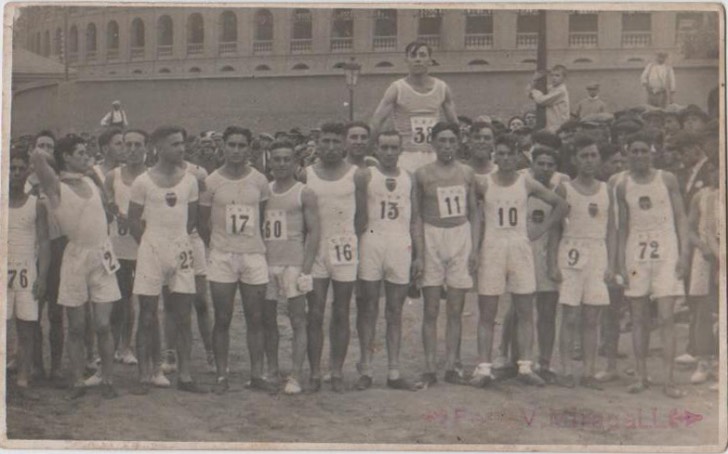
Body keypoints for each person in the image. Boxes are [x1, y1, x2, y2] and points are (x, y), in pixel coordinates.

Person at [471, 134, 568, 387]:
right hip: (492, 247)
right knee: (487, 311)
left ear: (517, 157)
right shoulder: (483, 183)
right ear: (495, 156)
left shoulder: (526, 183)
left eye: (509, 154)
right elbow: (473, 214)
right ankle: (484, 367)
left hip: (519, 245)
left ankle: (525, 366)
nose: (505, 159)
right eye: (500, 154)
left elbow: (560, 204)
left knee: (525, 309)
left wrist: (541, 229)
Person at [31, 135, 121, 400]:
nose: (86, 156)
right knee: (78, 326)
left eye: (86, 152)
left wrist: (81, 170)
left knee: (103, 324)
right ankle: (77, 381)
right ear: (66, 157)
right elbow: (37, 157)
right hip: (75, 258)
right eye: (79, 153)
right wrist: (58, 161)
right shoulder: (55, 186)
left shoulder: (92, 180)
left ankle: (107, 378)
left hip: (102, 254)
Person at [128, 126, 206, 394]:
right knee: (147, 314)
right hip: (151, 248)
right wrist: (151, 246)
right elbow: (132, 219)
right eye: (175, 144)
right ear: (158, 147)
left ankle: (184, 374)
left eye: (182, 143)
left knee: (183, 314)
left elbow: (192, 219)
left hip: (181, 248)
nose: (181, 149)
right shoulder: (143, 181)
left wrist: (175, 245)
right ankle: (145, 373)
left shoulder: (190, 180)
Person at [198, 126, 274, 394]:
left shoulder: (260, 180)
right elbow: (202, 221)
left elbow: (262, 215)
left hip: (253, 254)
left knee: (256, 316)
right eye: (232, 145)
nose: (237, 150)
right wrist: (218, 245)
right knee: (223, 316)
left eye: (242, 145)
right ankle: (221, 375)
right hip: (222, 255)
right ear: (224, 147)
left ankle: (257, 374)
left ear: (249, 148)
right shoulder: (211, 181)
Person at [616, 131, 689, 398]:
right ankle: (640, 375)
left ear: (652, 152)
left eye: (643, 150)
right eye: (634, 151)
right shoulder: (623, 185)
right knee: (638, 318)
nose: (639, 156)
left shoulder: (666, 179)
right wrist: (621, 263)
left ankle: (669, 380)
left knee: (667, 316)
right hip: (636, 254)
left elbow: (681, 218)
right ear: (628, 154)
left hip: (666, 252)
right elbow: (622, 227)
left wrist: (684, 253)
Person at [353, 130, 421, 391]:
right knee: (368, 307)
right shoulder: (365, 175)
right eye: (385, 147)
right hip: (371, 241)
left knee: (395, 310)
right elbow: (358, 217)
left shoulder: (409, 178)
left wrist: (418, 254)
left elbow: (414, 219)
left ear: (401, 150)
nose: (390, 152)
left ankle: (394, 371)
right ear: (377, 149)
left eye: (394, 148)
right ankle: (366, 368)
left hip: (399, 244)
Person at [414, 122, 478, 387]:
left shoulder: (466, 172)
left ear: (458, 143)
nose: (447, 146)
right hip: (432, 236)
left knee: (455, 307)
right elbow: (416, 216)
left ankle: (452, 364)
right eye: (442, 141)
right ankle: (429, 366)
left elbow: (474, 213)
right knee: (430, 309)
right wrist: (419, 253)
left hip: (459, 236)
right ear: (433, 143)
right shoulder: (422, 174)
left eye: (452, 141)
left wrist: (474, 247)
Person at [298, 122, 361, 392]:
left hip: (344, 246)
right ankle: (314, 372)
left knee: (341, 311)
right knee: (315, 312)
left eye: (337, 142)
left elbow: (363, 217)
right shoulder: (306, 174)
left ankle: (336, 371)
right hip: (316, 248)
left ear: (345, 144)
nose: (331, 147)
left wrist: (348, 239)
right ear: (317, 143)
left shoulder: (357, 175)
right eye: (326, 141)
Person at [552, 135, 616, 389]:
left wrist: (611, 264)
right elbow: (556, 229)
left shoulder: (607, 189)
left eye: (593, 155)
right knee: (569, 315)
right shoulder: (565, 189)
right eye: (584, 156)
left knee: (592, 316)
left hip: (597, 252)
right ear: (574, 160)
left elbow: (611, 230)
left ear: (599, 159)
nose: (589, 161)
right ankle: (566, 368)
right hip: (571, 252)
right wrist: (552, 264)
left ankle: (589, 371)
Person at [262, 140, 320, 395]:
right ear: (270, 162)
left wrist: (306, 270)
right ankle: (272, 370)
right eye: (277, 159)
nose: (282, 164)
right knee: (267, 320)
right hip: (267, 264)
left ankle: (295, 374)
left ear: (296, 163)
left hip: (293, 265)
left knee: (298, 320)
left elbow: (314, 232)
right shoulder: (264, 191)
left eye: (287, 159)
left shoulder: (303, 192)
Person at [370, 41, 459, 173]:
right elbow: (376, 122)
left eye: (422, 55)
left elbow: (454, 124)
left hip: (434, 154)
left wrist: (455, 152)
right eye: (413, 55)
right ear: (407, 60)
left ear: (430, 60)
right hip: (406, 155)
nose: (418, 59)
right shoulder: (397, 88)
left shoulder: (442, 88)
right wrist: (372, 152)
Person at [525, 134, 570, 383]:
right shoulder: (523, 183)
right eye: (540, 163)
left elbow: (561, 223)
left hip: (550, 251)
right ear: (532, 164)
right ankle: (514, 358)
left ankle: (545, 362)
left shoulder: (561, 186)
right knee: (519, 309)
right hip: (524, 250)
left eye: (549, 164)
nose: (544, 168)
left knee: (547, 310)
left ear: (555, 167)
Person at [7, 149, 50, 400]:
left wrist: (42, 276)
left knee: (27, 325)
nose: (15, 173)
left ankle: (24, 375)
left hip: (26, 269)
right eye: (10, 168)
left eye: (20, 168)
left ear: (28, 172)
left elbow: (44, 242)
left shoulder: (37, 205)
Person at [104, 129, 148, 367]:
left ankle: (127, 346)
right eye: (127, 145)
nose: (132, 150)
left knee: (139, 299)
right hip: (118, 245)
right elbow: (107, 203)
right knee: (118, 299)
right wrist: (116, 213)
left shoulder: (152, 177)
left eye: (137, 145)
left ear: (146, 148)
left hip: (142, 245)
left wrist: (137, 223)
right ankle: (112, 346)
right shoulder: (113, 176)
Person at [26, 131, 65, 386]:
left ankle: (58, 367)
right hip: (31, 252)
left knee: (56, 314)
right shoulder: (22, 183)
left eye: (51, 147)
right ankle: (36, 365)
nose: (45, 151)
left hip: (58, 249)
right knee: (32, 313)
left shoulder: (58, 184)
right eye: (41, 146)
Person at [686, 155, 719, 386]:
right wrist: (702, 246)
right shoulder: (701, 196)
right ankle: (704, 362)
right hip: (706, 257)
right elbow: (689, 229)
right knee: (703, 310)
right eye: (715, 169)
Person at [528, 65, 571, 133]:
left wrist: (534, 91)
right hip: (551, 126)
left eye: (557, 75)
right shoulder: (552, 88)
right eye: (552, 75)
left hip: (559, 127)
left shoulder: (561, 91)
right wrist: (534, 80)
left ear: (564, 77)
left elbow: (541, 100)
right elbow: (530, 93)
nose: (554, 78)